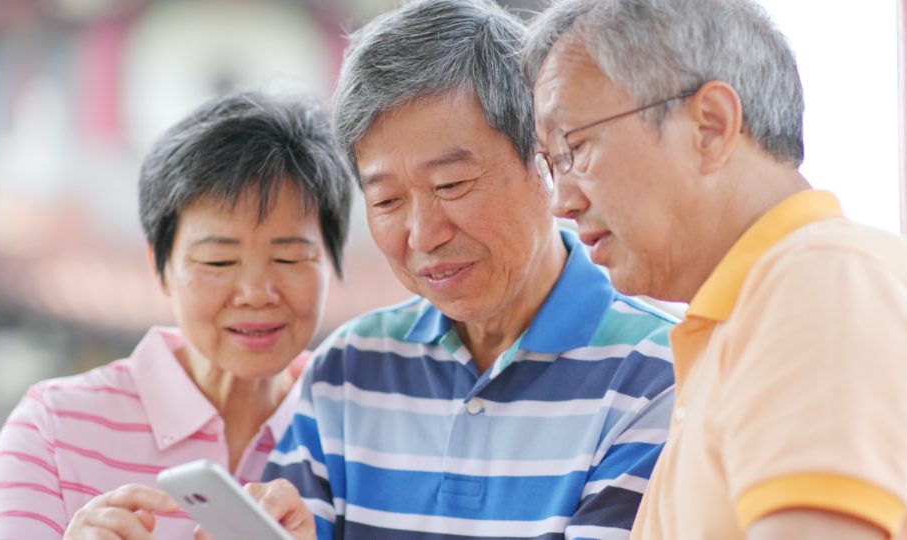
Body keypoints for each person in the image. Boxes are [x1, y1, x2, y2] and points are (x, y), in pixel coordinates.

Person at [235, 1, 676, 539]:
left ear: (544, 162)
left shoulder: (657, 375)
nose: (423, 234)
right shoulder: (349, 369)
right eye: (388, 201)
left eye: (451, 185)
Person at [525, 0, 907, 539]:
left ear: (710, 126)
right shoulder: (746, 317)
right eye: (550, 164)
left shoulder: (823, 281)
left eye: (575, 147)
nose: (561, 201)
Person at [0, 90, 354, 539]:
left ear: (328, 262)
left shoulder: (359, 425)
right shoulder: (51, 429)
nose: (256, 293)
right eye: (218, 261)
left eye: (289, 259)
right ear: (161, 266)